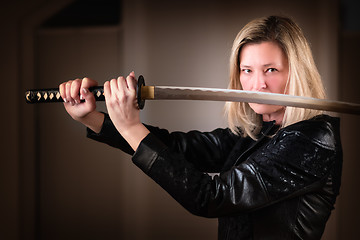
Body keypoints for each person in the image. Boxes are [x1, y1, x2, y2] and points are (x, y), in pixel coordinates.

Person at [59, 16, 342, 240]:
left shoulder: (314, 139)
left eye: (271, 70)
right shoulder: (260, 131)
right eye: (247, 70)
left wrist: (131, 126)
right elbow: (180, 148)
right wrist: (92, 118)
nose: (258, 85)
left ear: (296, 72)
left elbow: (211, 197)